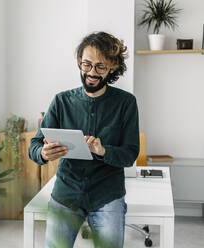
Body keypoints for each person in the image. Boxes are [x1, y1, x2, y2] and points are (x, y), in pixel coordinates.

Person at [28, 32, 140, 248]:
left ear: (112, 68)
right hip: (67, 192)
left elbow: (130, 154)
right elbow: (35, 145)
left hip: (107, 194)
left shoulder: (126, 103)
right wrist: (42, 153)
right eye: (86, 64)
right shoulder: (61, 101)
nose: (91, 72)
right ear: (79, 62)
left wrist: (103, 150)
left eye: (100, 67)